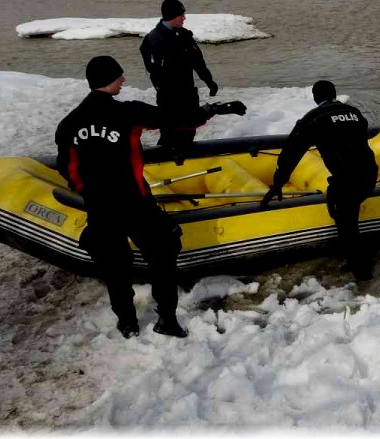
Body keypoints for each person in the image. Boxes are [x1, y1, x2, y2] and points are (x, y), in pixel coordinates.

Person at [55, 56, 245, 338]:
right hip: (134, 203)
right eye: (120, 76)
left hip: (100, 207)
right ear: (109, 79)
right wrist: (212, 109)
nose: (124, 80)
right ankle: (166, 319)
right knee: (164, 255)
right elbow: (174, 118)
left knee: (115, 268)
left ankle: (127, 322)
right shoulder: (127, 113)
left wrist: (88, 191)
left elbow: (67, 167)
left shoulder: (69, 123)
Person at [261, 81, 379, 281]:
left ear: (315, 97)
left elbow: (291, 153)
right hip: (369, 173)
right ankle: (354, 258)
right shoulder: (354, 112)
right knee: (340, 208)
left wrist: (278, 183)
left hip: (348, 179)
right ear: (334, 94)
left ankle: (364, 278)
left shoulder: (314, 119)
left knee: (347, 226)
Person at [140, 0, 219, 157]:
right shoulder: (154, 40)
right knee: (170, 133)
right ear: (171, 16)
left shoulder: (184, 36)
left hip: (188, 94)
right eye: (180, 15)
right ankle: (160, 163)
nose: (184, 18)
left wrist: (209, 81)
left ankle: (186, 162)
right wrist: (163, 90)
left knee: (189, 131)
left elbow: (198, 62)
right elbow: (152, 71)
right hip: (169, 98)